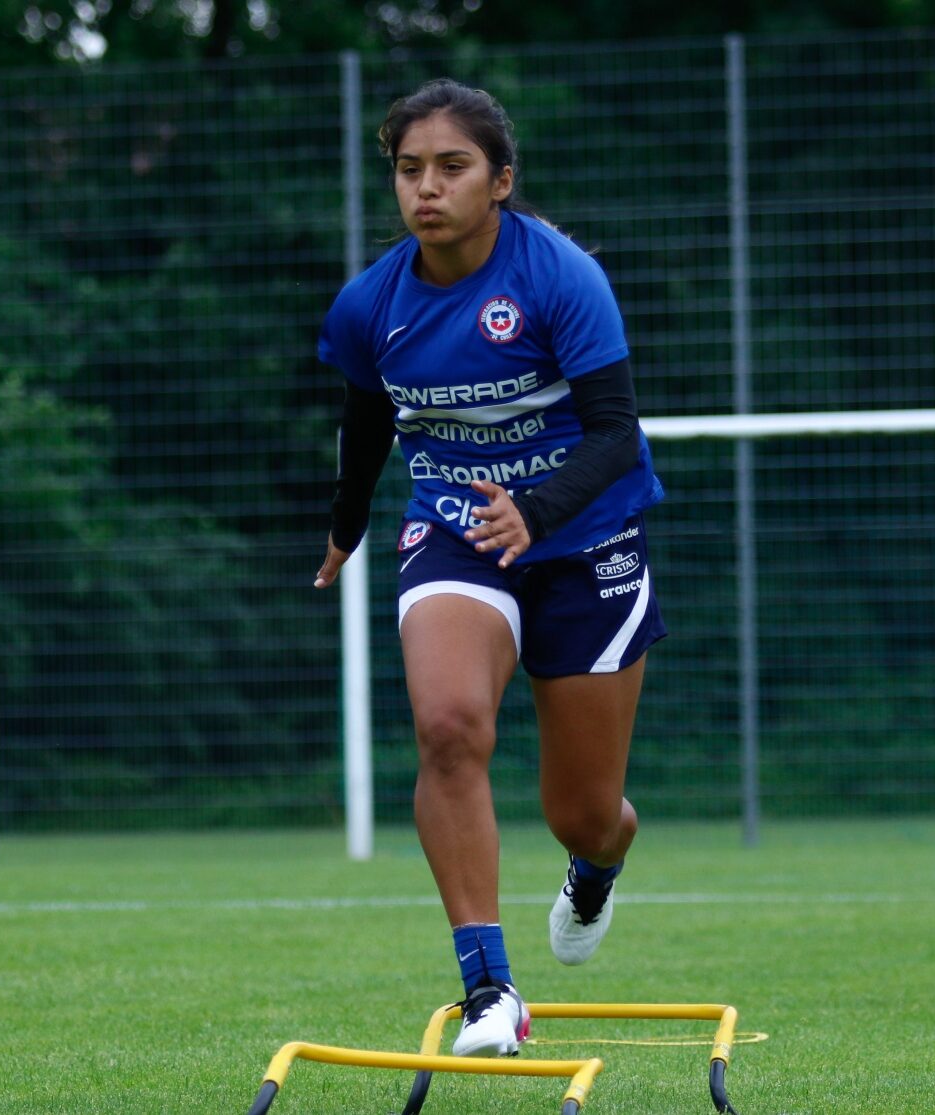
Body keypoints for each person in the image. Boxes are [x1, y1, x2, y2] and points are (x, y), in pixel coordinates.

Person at [311, 79, 665, 1057]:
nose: (426, 187)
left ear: (500, 181)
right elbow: (369, 415)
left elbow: (612, 430)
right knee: (448, 728)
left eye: (451, 167)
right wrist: (345, 525)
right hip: (458, 529)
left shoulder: (558, 277)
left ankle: (595, 865)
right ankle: (488, 991)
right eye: (408, 169)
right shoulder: (370, 302)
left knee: (584, 810)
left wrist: (538, 507)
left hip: (585, 536)